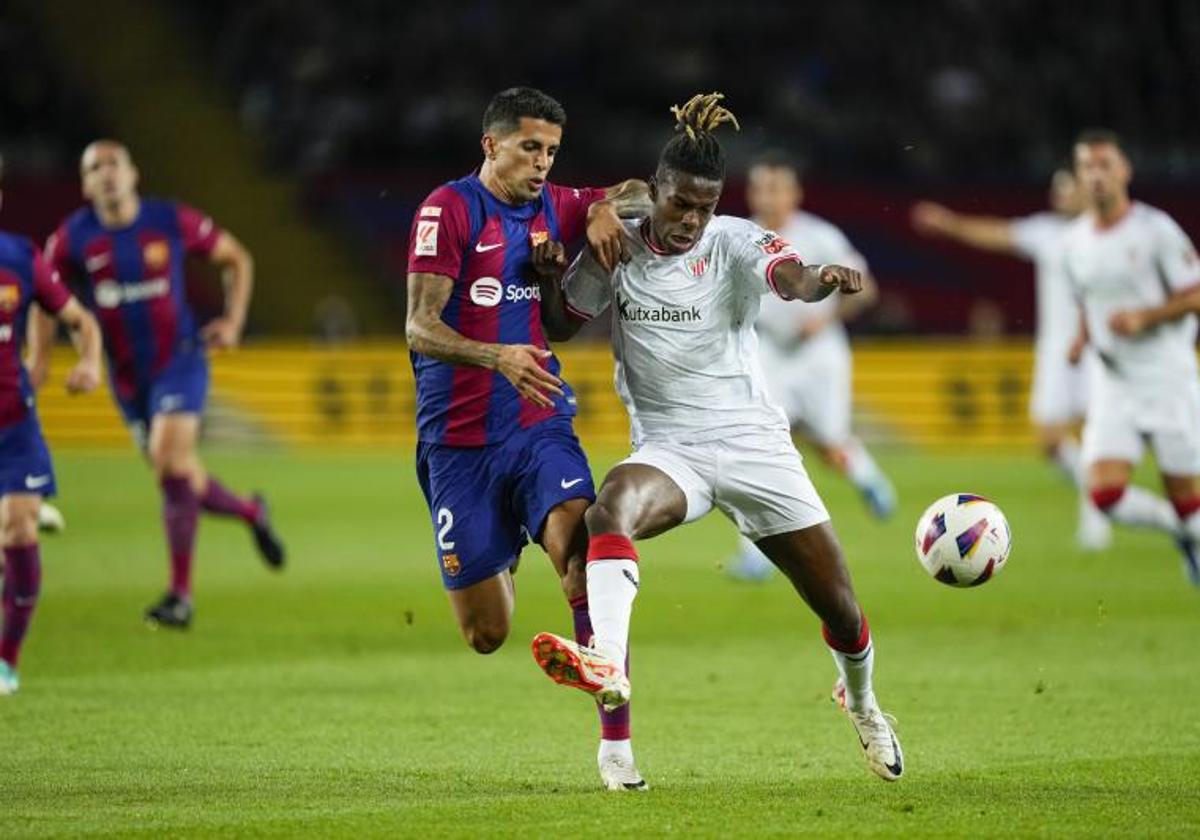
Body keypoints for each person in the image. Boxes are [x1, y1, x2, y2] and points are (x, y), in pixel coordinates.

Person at [529, 93, 904, 782]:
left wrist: (826, 279)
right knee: (611, 506)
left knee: (843, 612)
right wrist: (556, 274)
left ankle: (864, 701)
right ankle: (607, 661)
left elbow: (792, 280)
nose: (691, 222)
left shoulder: (732, 240)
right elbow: (560, 323)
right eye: (680, 205)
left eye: (704, 208)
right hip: (671, 449)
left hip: (754, 445)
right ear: (656, 190)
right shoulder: (617, 241)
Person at [404, 87, 652, 791]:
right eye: (528, 149)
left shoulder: (557, 203)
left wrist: (603, 206)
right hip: (457, 442)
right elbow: (419, 326)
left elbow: (637, 191)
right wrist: (495, 356)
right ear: (491, 145)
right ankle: (500, 549)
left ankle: (616, 750)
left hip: (537, 423)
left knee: (580, 551)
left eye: (550, 152)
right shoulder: (447, 210)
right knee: (487, 635)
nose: (542, 164)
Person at [28, 140, 286, 629]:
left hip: (181, 362)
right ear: (84, 184)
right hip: (129, 381)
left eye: (114, 165)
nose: (106, 174)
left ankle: (180, 597)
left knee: (171, 463)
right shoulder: (71, 240)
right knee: (180, 476)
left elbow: (237, 258)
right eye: (94, 168)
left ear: (133, 174)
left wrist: (232, 321)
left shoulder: (169, 221)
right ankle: (252, 511)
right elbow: (46, 300)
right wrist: (39, 358)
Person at [911, 168, 1111, 551]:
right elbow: (997, 233)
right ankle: (1097, 496)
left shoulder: (1105, 233)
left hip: (1096, 348)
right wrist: (949, 223)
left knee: (1092, 434)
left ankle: (1095, 517)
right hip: (1055, 347)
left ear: (1087, 192)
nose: (1061, 195)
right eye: (1057, 189)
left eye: (1068, 189)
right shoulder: (1046, 233)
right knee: (1049, 440)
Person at [728, 151, 895, 582]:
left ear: (795, 192)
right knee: (758, 446)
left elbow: (867, 290)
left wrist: (826, 316)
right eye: (760, 187)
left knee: (829, 444)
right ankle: (754, 552)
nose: (767, 197)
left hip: (819, 353)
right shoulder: (739, 235)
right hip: (766, 352)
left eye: (776, 188)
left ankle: (867, 476)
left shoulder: (819, 236)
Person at [1061, 129, 1200, 585]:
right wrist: (1082, 337)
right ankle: (1186, 534)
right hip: (1113, 381)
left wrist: (1147, 316)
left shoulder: (1155, 230)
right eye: (1087, 167)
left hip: (1167, 376)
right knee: (1104, 495)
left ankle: (1189, 530)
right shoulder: (1074, 241)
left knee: (1187, 497)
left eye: (1105, 165)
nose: (1096, 175)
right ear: (1079, 177)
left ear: (1124, 171)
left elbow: (1195, 294)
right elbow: (1088, 299)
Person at [0, 154, 103, 693]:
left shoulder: (18, 258)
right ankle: (29, 509)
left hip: (13, 423)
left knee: (13, 532)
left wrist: (87, 360)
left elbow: (78, 318)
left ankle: (6, 662)